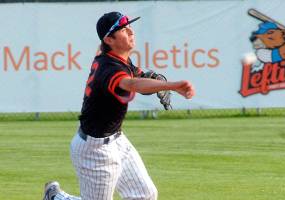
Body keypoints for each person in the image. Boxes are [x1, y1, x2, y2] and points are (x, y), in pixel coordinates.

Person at [43, 11, 195, 200]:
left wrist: (155, 81)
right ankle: (56, 198)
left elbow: (138, 78)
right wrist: (171, 85)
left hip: (117, 140)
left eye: (129, 26)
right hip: (95, 150)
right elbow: (132, 84)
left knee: (145, 195)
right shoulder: (109, 68)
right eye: (123, 29)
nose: (131, 31)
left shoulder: (119, 59)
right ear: (109, 39)